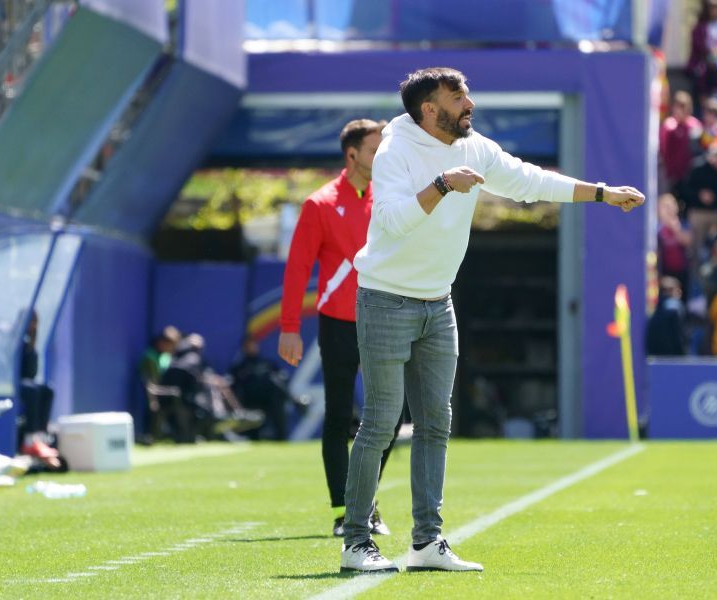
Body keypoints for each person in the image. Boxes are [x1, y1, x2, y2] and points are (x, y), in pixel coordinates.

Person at [340, 67, 644, 573]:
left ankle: (426, 543)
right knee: (381, 424)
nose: (469, 104)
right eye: (457, 97)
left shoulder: (473, 145)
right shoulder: (395, 149)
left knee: (436, 424)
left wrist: (601, 192)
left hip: (438, 302)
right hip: (386, 299)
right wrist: (442, 185)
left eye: (467, 94)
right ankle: (356, 543)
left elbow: (527, 180)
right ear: (429, 110)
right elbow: (390, 221)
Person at [277, 118, 399, 538]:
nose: (381, 156)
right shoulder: (320, 204)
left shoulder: (389, 196)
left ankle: (364, 504)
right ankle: (343, 510)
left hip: (383, 320)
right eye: (373, 149)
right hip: (337, 324)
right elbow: (297, 269)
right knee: (338, 417)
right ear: (352, 155)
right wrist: (289, 326)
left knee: (391, 414)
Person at [18, 311, 60, 469]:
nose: (32, 325)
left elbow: (31, 373)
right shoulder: (13, 342)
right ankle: (30, 440)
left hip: (24, 384)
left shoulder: (30, 346)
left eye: (34, 322)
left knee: (47, 389)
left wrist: (30, 352)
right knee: (32, 390)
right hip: (11, 385)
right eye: (29, 321)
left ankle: (41, 437)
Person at [230, 336, 291, 441]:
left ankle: (282, 438)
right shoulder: (240, 366)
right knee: (270, 379)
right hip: (251, 399)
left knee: (274, 382)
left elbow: (281, 375)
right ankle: (294, 400)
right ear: (244, 348)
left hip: (270, 399)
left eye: (254, 345)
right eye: (249, 346)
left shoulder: (266, 363)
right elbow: (233, 384)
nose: (252, 348)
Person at [139, 325, 182, 443]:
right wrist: (153, 399)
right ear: (162, 342)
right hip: (152, 391)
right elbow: (149, 383)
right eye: (171, 345)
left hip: (161, 390)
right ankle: (149, 435)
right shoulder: (150, 357)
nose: (173, 348)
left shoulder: (166, 357)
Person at [646, 277, 686, 356]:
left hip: (655, 356)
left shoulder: (655, 309)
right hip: (671, 357)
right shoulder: (673, 306)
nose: (679, 292)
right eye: (676, 289)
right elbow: (677, 337)